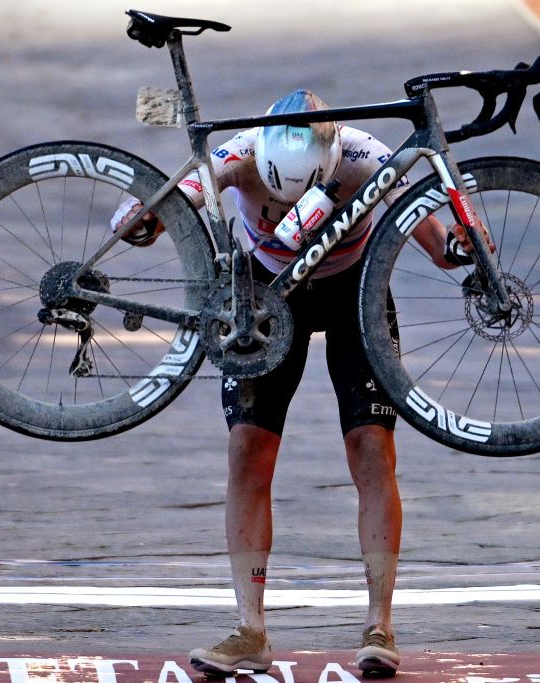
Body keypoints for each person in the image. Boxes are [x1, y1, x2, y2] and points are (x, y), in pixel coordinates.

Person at [112, 89, 491, 678]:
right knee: (247, 451)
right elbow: (164, 213)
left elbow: (440, 247)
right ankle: (250, 630)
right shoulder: (237, 155)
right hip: (263, 293)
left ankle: (380, 626)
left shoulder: (365, 155)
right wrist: (143, 219)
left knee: (372, 450)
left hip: (353, 291)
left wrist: (465, 246)